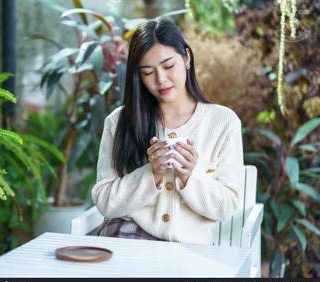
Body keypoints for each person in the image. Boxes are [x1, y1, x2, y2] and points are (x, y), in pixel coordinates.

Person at [91, 17, 244, 245]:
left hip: (188, 251)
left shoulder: (223, 122)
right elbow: (104, 201)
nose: (161, 79)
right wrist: (151, 173)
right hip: (127, 239)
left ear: (187, 58)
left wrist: (189, 176)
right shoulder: (119, 121)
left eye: (168, 66)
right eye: (147, 72)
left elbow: (227, 205)